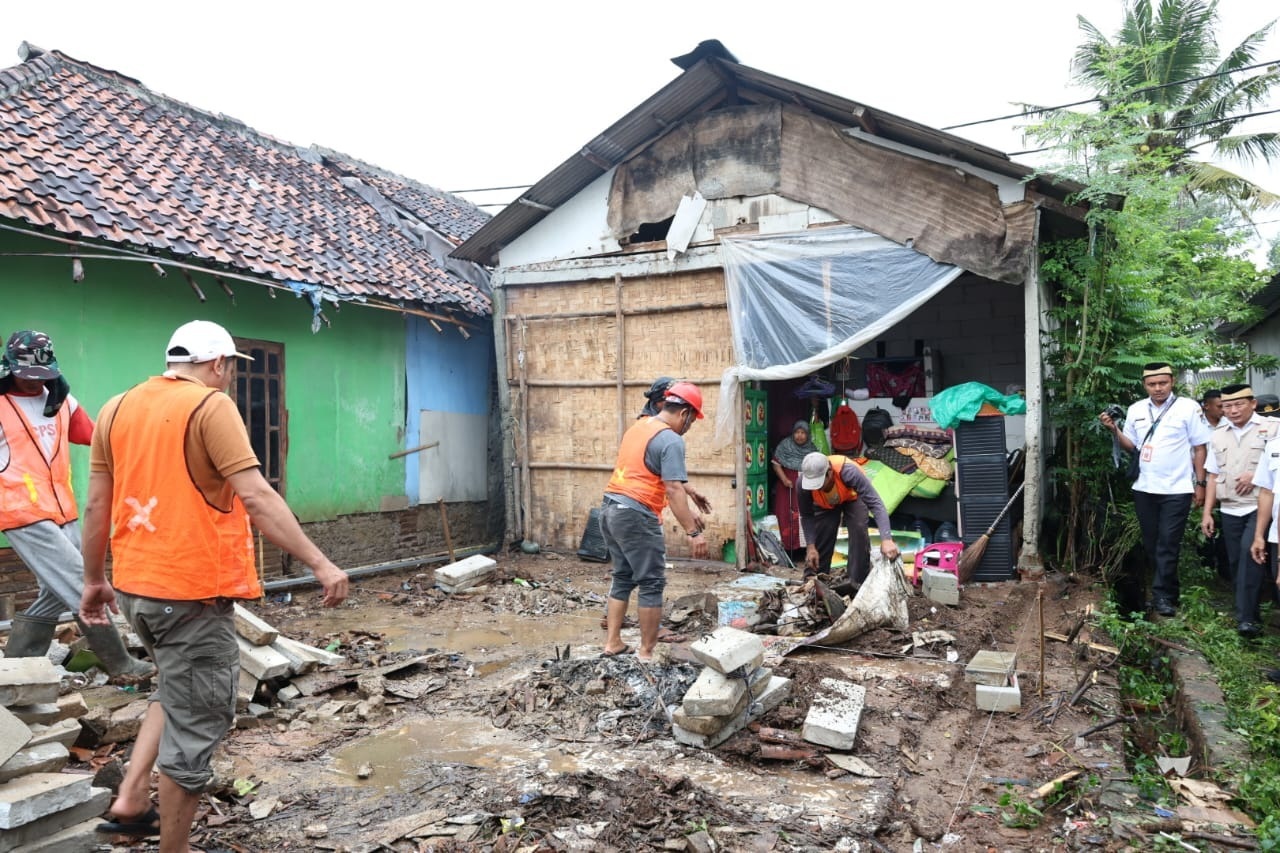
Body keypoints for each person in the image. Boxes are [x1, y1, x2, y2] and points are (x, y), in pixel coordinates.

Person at [80, 320, 350, 852]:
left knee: (173, 688)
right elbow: (257, 497)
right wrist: (321, 564)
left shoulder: (115, 408)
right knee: (196, 726)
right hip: (190, 594)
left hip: (136, 589)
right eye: (230, 369)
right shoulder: (210, 406)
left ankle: (131, 797)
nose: (230, 378)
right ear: (218, 364)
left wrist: (93, 579)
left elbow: (95, 504)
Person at [0, 330, 153, 678]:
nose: (34, 382)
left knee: (56, 589)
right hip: (20, 511)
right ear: (10, 368)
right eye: (26, 375)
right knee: (79, 581)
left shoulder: (61, 401)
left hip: (63, 510)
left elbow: (97, 436)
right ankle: (121, 665)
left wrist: (138, 448)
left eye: (41, 374)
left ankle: (15, 666)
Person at [600, 381, 709, 661]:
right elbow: (672, 489)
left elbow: (651, 471)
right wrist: (693, 532)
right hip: (636, 514)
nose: (689, 427)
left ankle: (613, 643)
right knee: (651, 583)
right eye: (691, 421)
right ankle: (646, 654)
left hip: (610, 508)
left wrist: (690, 493)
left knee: (622, 576)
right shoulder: (671, 439)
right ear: (684, 413)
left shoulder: (639, 427)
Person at [1099, 362, 1211, 617]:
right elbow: (1132, 446)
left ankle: (1161, 597)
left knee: (1168, 542)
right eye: (1152, 384)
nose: (1158, 388)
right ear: (1144, 385)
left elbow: (1200, 447)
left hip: (1177, 488)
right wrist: (1114, 429)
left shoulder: (1188, 408)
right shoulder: (1137, 409)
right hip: (1145, 487)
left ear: (1172, 382)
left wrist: (1200, 483)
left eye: (1163, 383)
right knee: (1152, 544)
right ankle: (1170, 591)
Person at [1200, 385, 1278, 636]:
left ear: (1252, 404)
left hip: (1259, 506)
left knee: (1249, 556)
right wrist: (1207, 512)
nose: (1232, 411)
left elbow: (1273, 468)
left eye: (1238, 404)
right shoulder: (1218, 435)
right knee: (1235, 562)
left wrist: (1255, 476)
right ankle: (1250, 613)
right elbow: (1213, 475)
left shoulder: (1272, 428)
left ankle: (1246, 620)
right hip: (1230, 507)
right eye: (1227, 406)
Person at [798, 451, 899, 584]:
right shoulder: (803, 483)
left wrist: (886, 539)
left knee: (859, 530)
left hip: (853, 497)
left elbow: (876, 504)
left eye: (819, 483)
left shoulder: (849, 472)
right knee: (821, 535)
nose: (817, 488)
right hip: (825, 504)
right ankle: (815, 582)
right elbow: (806, 515)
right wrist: (810, 546)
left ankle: (856, 582)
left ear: (829, 472)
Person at [770, 420, 818, 560]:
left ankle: (804, 549)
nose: (799, 436)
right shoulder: (785, 445)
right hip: (787, 488)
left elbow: (816, 467)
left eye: (803, 433)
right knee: (786, 516)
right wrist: (784, 479)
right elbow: (776, 464)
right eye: (797, 432)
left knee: (804, 515)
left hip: (805, 488)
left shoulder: (812, 449)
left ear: (807, 434)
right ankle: (786, 550)